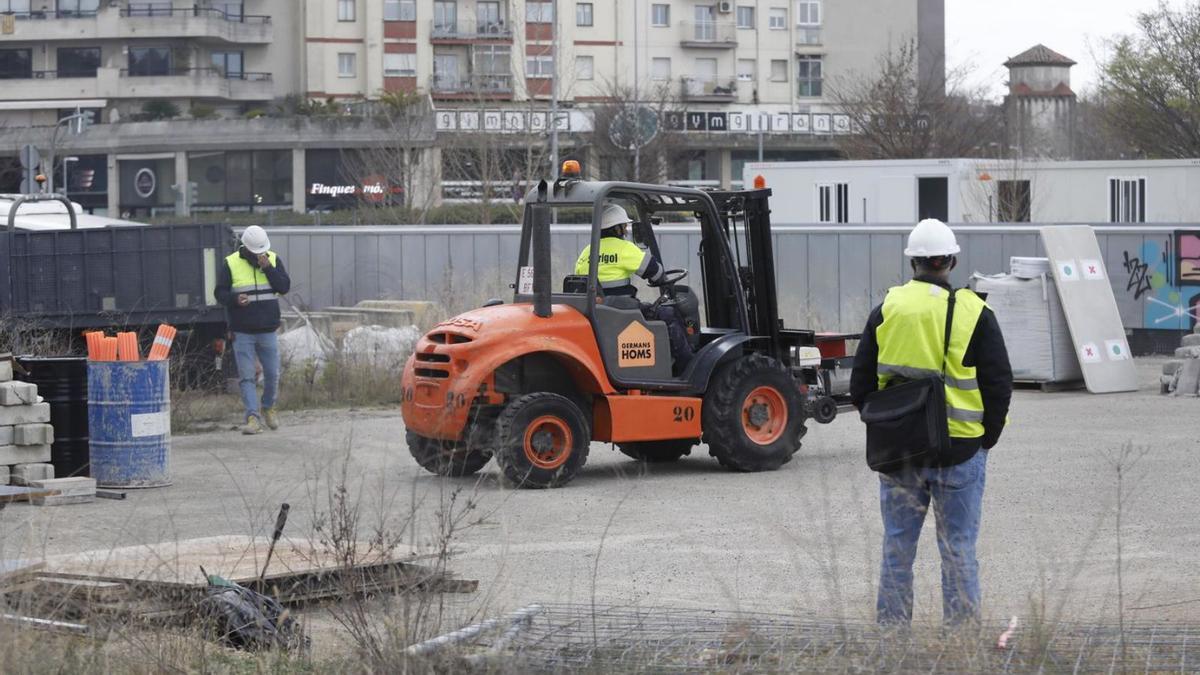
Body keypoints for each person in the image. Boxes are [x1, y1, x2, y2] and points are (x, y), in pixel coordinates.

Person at [850, 218, 1013, 627]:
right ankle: (960, 646)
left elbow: (860, 386)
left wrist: (890, 426)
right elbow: (998, 384)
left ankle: (892, 639)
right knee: (958, 549)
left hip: (900, 452)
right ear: (951, 261)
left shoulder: (887, 308)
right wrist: (985, 439)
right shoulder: (975, 311)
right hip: (959, 451)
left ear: (913, 263)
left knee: (897, 548)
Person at [575, 203, 692, 371]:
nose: (626, 230)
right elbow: (656, 272)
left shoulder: (587, 251)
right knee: (669, 314)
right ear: (617, 229)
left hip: (598, 308)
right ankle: (686, 366)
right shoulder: (624, 248)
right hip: (620, 308)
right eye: (624, 226)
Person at [214, 225, 291, 435]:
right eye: (256, 252)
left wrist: (268, 268)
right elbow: (219, 293)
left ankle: (268, 407)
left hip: (268, 328)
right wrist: (234, 299)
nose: (260, 255)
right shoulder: (231, 263)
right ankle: (252, 417)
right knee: (247, 376)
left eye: (262, 251)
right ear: (246, 248)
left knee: (272, 374)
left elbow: (284, 287)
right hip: (242, 330)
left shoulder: (273, 260)